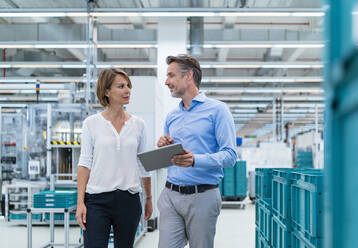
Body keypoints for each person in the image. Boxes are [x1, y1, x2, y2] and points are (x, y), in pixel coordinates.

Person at [157, 54, 237, 248]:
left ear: (189, 76)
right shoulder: (172, 115)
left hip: (202, 196)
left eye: (171, 75)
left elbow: (230, 155)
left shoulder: (217, 110)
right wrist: (163, 146)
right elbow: (171, 157)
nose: (166, 82)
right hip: (170, 194)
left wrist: (195, 160)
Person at [76, 68, 152, 248]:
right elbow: (84, 163)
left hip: (129, 200)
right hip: (96, 201)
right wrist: (80, 202)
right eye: (121, 86)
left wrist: (148, 198)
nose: (127, 90)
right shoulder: (91, 124)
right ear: (106, 92)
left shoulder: (138, 125)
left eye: (128, 86)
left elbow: (144, 165)